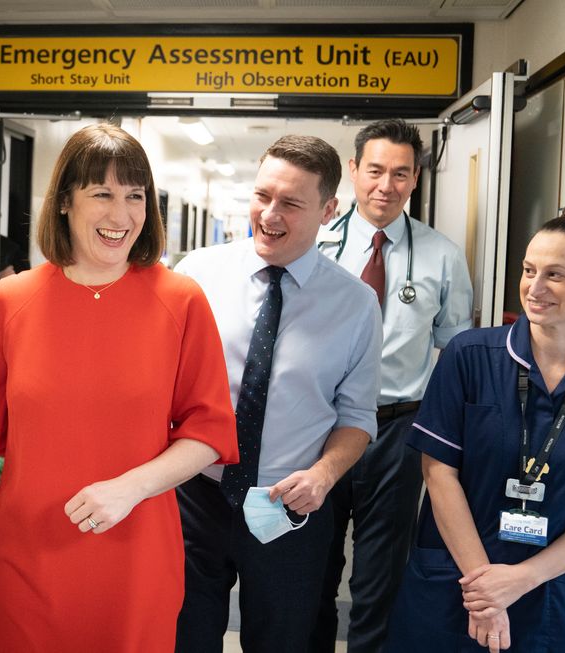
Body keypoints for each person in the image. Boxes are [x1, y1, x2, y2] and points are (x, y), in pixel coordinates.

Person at [0, 122, 238, 652]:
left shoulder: (181, 300)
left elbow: (209, 432)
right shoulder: (10, 301)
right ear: (65, 201)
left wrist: (131, 487)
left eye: (135, 196)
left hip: (138, 558)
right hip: (28, 557)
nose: (122, 215)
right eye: (103, 194)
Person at [384, 197, 565, 652]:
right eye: (529, 270)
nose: (535, 287)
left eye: (555, 274)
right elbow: (439, 472)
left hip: (547, 589)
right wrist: (486, 592)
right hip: (455, 578)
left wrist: (521, 579)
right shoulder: (470, 357)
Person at [173, 135, 383, 653]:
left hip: (287, 506)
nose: (269, 214)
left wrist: (324, 474)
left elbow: (357, 416)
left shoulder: (356, 305)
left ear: (329, 209)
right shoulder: (197, 275)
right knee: (182, 637)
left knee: (282, 641)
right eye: (262, 195)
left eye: (290, 203)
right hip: (195, 494)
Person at [314, 118, 473, 652]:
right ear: (354, 171)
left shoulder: (442, 255)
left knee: (380, 577)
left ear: (415, 178)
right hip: (320, 426)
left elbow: (457, 352)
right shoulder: (313, 244)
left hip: (399, 431)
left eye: (400, 174)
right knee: (312, 564)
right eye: (375, 170)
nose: (386, 185)